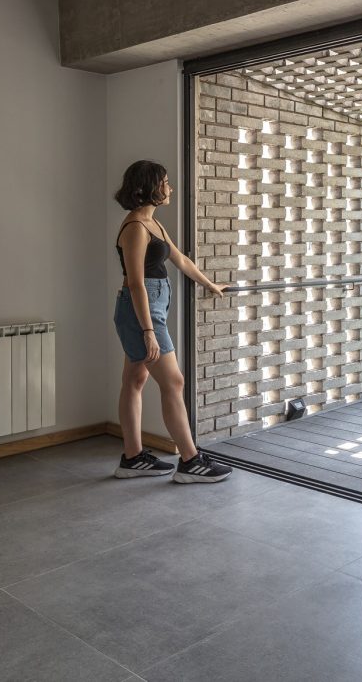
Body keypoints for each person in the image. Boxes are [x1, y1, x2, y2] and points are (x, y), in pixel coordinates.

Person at [111, 160, 233, 483]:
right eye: (165, 182)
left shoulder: (153, 224)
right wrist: (149, 330)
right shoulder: (135, 228)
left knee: (135, 379)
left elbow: (180, 260)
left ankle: (133, 457)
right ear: (149, 187)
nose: (170, 188)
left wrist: (210, 284)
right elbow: (136, 283)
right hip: (143, 312)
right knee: (174, 381)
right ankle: (191, 461)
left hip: (150, 309)